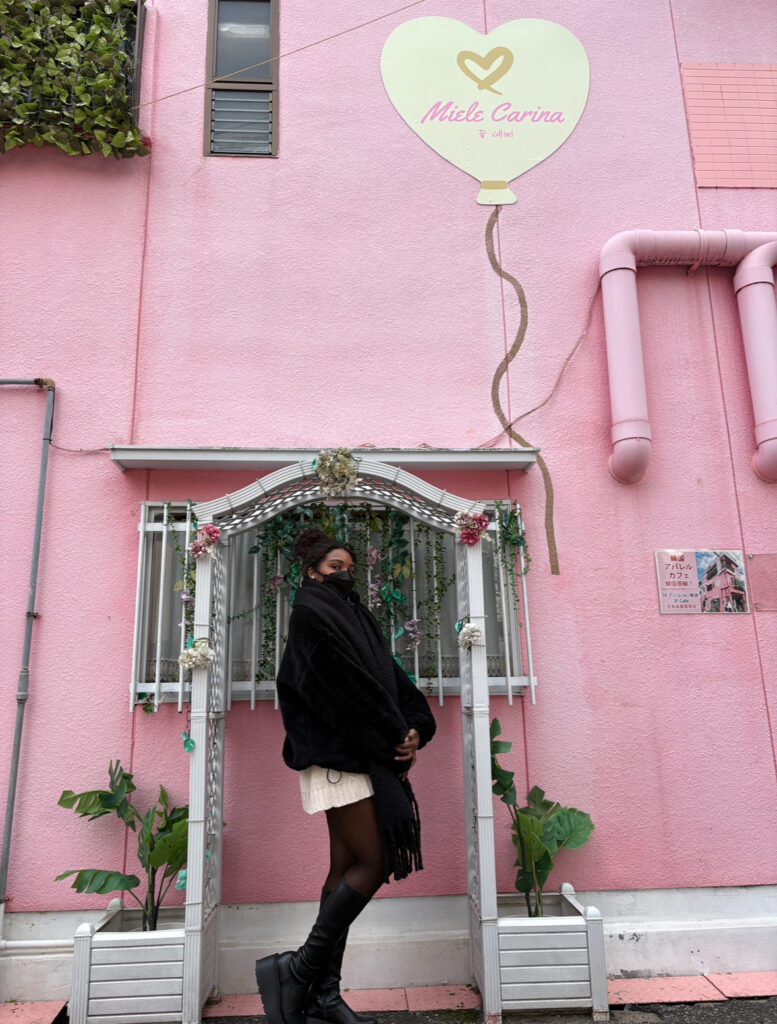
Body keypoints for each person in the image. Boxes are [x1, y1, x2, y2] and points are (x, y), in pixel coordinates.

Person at [255, 528, 436, 1024]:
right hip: (340, 759)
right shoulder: (311, 615)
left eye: (349, 566)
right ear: (312, 571)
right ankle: (297, 969)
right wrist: (390, 737)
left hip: (358, 756)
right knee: (372, 865)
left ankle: (323, 997)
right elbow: (342, 692)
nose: (344, 573)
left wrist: (414, 728)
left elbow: (389, 679)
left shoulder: (355, 615)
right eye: (334, 566)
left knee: (342, 874)